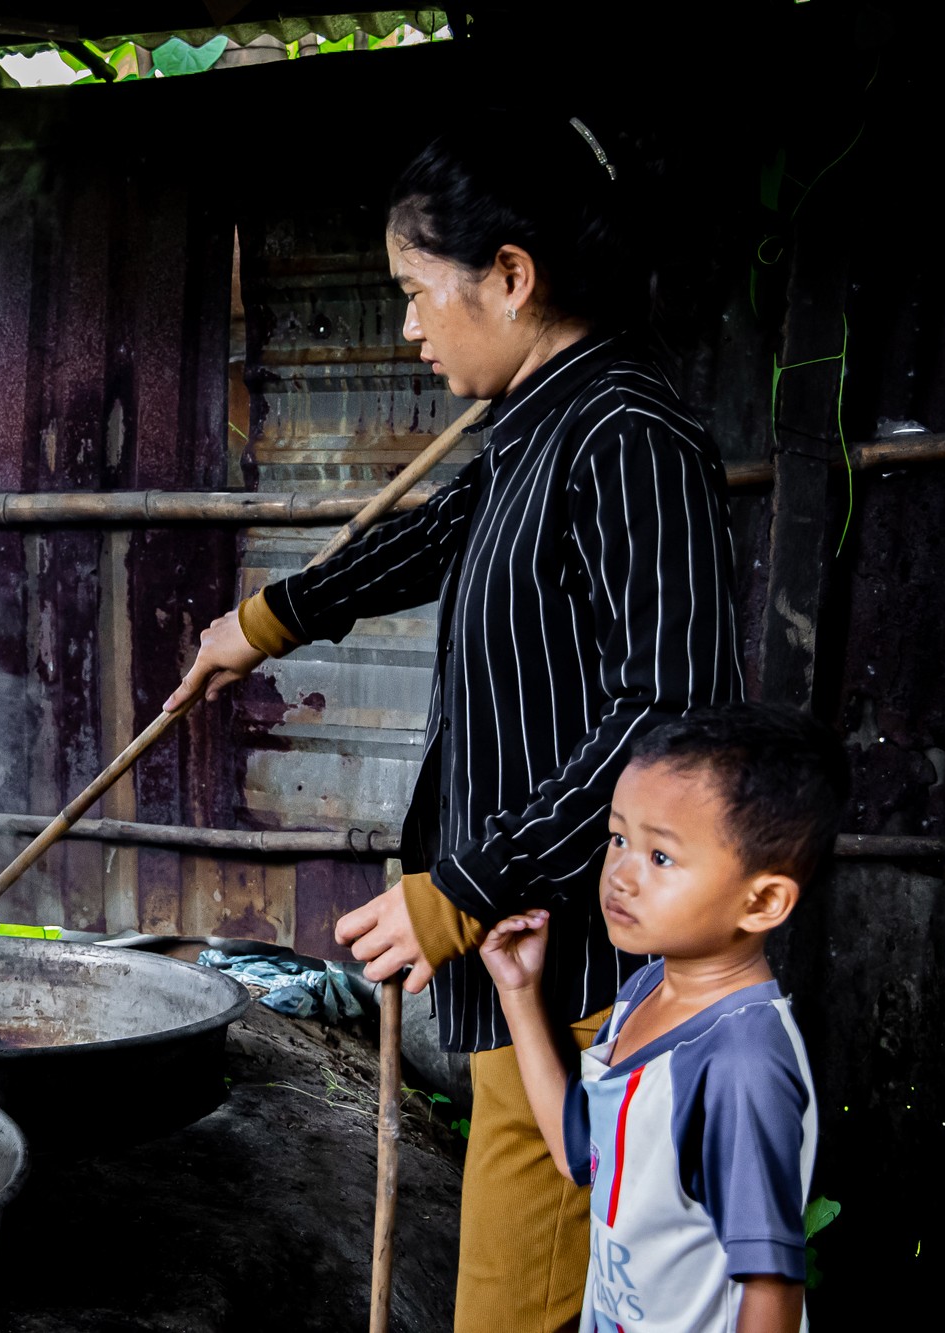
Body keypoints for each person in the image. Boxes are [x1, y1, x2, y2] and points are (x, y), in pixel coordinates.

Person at [166, 113, 742, 1331]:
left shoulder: (626, 436)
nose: (410, 327)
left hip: (594, 986)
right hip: (525, 972)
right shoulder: (538, 427)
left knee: (519, 1310)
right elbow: (437, 535)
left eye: (419, 293)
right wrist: (260, 622)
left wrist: (461, 884)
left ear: (512, 277)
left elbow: (672, 717)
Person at [477, 702, 845, 1333]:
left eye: (661, 858)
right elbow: (581, 1155)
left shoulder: (741, 1062)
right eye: (619, 838)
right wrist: (519, 991)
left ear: (762, 902)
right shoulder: (648, 987)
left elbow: (771, 1287)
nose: (620, 874)